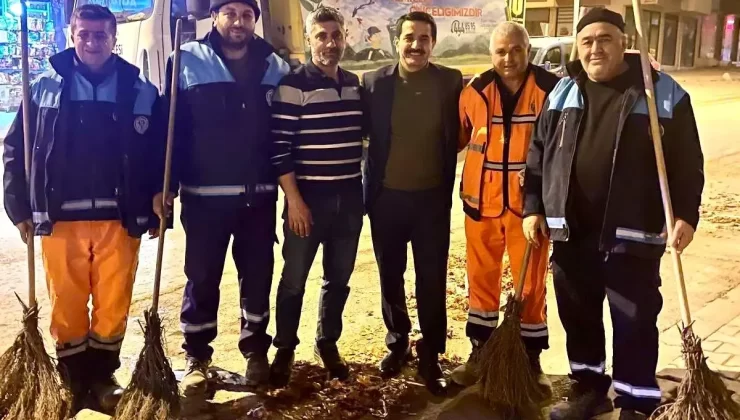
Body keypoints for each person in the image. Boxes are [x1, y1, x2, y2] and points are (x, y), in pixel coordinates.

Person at [523, 8, 704, 420]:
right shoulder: (563, 92)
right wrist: (533, 208)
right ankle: (589, 390)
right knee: (579, 317)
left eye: (605, 39)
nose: (595, 49)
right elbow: (537, 155)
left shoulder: (662, 93)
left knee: (634, 321)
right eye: (586, 41)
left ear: (624, 42)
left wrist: (685, 215)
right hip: (571, 233)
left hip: (633, 233)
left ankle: (636, 402)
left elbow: (688, 162)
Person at [3, 4, 161, 412]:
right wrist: (18, 206)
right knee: (67, 301)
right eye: (84, 34)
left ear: (114, 38)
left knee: (113, 299)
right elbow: (15, 148)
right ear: (71, 35)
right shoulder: (43, 87)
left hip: (119, 215)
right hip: (60, 218)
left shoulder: (139, 89)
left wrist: (160, 198)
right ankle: (74, 379)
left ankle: (103, 376)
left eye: (100, 35)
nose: (92, 42)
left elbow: (159, 152)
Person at [155, 0, 289, 394]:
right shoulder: (186, 60)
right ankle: (197, 356)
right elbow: (171, 132)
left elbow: (285, 133)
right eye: (229, 13)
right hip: (204, 198)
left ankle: (255, 351)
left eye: (247, 15)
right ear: (214, 17)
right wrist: (165, 187)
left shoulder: (276, 66)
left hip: (258, 197)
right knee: (201, 278)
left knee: (258, 277)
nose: (238, 22)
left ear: (255, 21)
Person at [451, 22, 558, 389]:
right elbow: (458, 138)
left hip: (530, 211)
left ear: (528, 50)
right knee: (481, 282)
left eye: (516, 50)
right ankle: (480, 352)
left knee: (531, 286)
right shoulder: (474, 91)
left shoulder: (550, 89)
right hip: (481, 205)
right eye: (501, 51)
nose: (509, 58)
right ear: (491, 54)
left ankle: (530, 359)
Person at [362, 11, 463, 396]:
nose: (416, 45)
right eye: (409, 37)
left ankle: (430, 354)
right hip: (386, 199)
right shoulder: (374, 83)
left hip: (431, 201)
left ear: (433, 43)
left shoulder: (450, 81)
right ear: (397, 41)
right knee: (390, 275)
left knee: (431, 279)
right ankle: (398, 342)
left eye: (424, 38)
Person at [268, 6, 364, 387]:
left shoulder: (354, 84)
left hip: (349, 200)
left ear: (345, 38)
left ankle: (327, 343)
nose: (330, 43)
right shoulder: (292, 86)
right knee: (294, 279)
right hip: (307, 201)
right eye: (321, 36)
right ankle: (284, 349)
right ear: (309, 40)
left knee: (338, 279)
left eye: (336, 35)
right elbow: (279, 149)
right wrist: (294, 201)